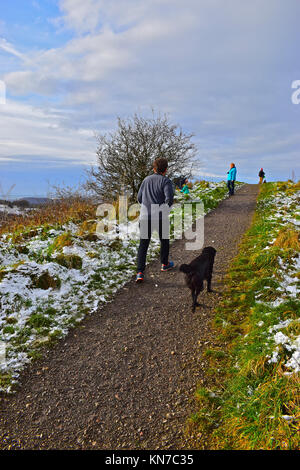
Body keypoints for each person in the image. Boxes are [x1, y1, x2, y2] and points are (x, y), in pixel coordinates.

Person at [136, 158, 175, 283]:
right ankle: (164, 264)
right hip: (160, 217)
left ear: (154, 169)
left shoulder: (146, 180)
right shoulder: (166, 181)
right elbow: (169, 200)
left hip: (145, 216)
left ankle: (140, 272)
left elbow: (139, 198)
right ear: (166, 170)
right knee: (164, 241)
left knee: (143, 245)